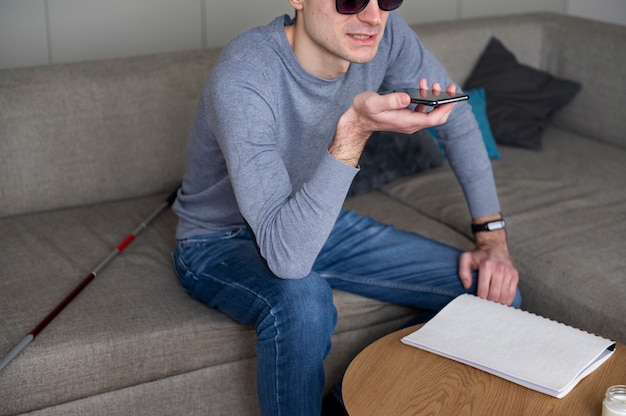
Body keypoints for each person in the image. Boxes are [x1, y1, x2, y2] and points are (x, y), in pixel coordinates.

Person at [171, 0, 521, 414]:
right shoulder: (244, 75)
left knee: (492, 294)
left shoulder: (387, 35)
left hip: (310, 218)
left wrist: (492, 238)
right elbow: (288, 260)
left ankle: (348, 405)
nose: (373, 17)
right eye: (350, 0)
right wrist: (354, 131)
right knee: (303, 303)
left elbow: (456, 116)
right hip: (218, 240)